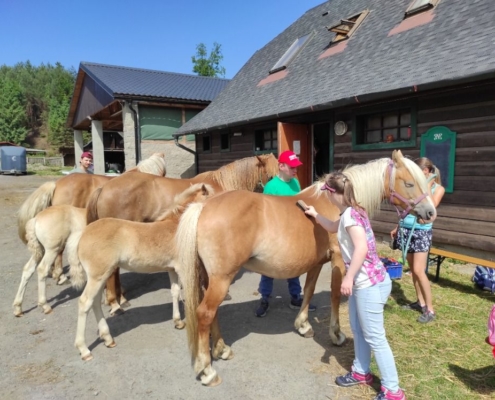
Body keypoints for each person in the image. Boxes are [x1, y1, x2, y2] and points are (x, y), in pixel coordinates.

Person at [304, 172, 405, 400]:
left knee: (376, 338)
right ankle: (361, 372)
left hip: (368, 284)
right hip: (366, 284)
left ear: (332, 192)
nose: (325, 197)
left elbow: (361, 249)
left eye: (325, 193)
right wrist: (314, 214)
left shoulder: (350, 215)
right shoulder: (353, 210)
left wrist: (347, 278)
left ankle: (393, 390)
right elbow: (332, 226)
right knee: (359, 330)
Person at [255, 150, 316, 318]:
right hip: (274, 234)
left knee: (294, 266)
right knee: (267, 268)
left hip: (293, 232)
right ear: (281, 166)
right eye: (292, 167)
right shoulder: (271, 187)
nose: (295, 170)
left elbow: (299, 204)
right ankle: (265, 298)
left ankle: (295, 298)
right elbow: (263, 213)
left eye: (296, 167)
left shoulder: (295, 183)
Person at [390, 157, 444, 324]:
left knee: (420, 271)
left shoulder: (438, 188)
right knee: (413, 270)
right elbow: (408, 208)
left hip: (421, 233)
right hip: (407, 229)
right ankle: (419, 302)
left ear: (427, 171)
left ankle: (430, 309)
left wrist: (426, 185)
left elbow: (432, 205)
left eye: (419, 171)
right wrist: (397, 227)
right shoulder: (415, 187)